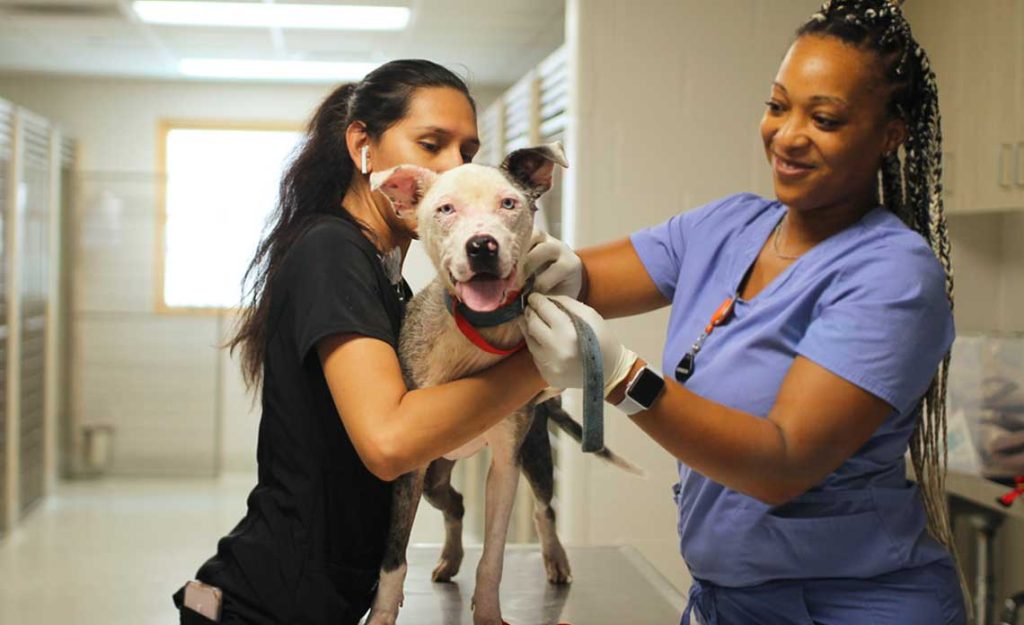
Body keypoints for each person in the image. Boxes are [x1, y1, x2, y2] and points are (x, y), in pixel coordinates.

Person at [521, 1, 966, 623]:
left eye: (826, 118)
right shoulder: (730, 226)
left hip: (849, 605)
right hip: (732, 603)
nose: (787, 135)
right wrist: (510, 250)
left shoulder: (892, 274)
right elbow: (581, 278)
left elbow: (782, 463)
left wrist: (620, 378)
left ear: (890, 134)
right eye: (778, 105)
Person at [173, 60, 547, 625]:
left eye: (467, 152)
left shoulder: (383, 267)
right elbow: (390, 443)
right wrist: (542, 364)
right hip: (268, 606)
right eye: (430, 143)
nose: (453, 167)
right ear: (363, 148)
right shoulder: (332, 252)